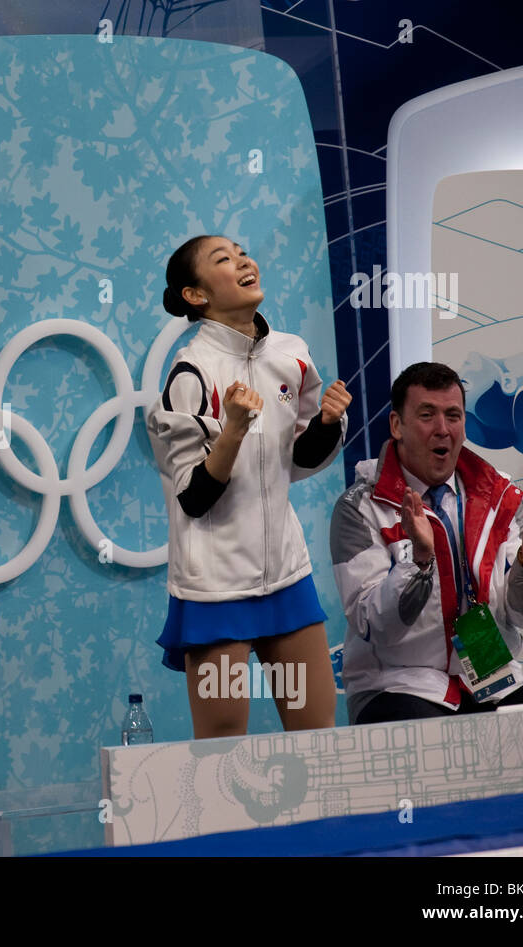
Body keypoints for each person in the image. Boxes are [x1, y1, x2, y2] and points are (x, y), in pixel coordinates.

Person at [146, 235, 350, 738]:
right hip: (214, 590)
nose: (243, 262)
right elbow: (193, 496)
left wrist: (325, 423)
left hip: (286, 575)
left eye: (242, 254)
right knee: (221, 759)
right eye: (223, 260)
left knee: (317, 741)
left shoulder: (292, 355)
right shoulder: (190, 373)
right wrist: (233, 428)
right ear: (196, 296)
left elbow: (297, 460)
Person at [331, 362, 523, 724]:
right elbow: (374, 625)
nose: (442, 430)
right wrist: (418, 563)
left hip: (492, 678)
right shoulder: (359, 507)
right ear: (397, 425)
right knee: (434, 742)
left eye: (452, 415)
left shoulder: (499, 496)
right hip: (397, 685)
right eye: (427, 415)